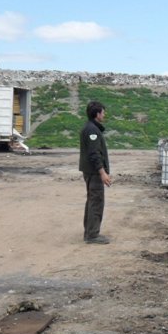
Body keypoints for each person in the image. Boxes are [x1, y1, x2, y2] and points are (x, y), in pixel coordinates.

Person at [79, 101, 111, 244]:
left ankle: (89, 232)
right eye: (103, 112)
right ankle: (92, 235)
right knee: (96, 202)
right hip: (94, 172)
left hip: (90, 171)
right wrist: (102, 172)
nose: (104, 115)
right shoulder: (92, 130)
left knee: (92, 201)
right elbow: (94, 154)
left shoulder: (90, 128)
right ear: (97, 114)